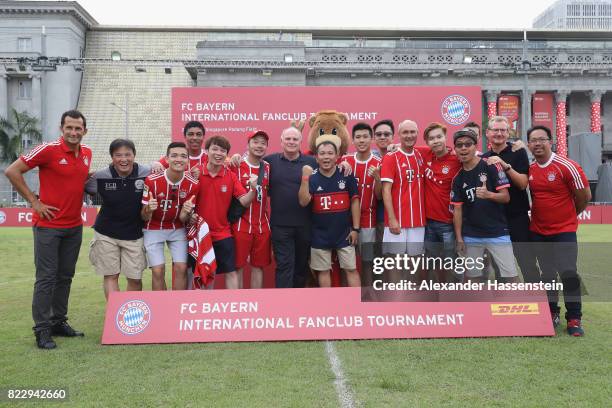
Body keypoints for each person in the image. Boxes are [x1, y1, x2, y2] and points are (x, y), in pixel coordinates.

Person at [4, 110, 90, 349]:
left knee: (65, 277)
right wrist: (34, 201)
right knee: (46, 279)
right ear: (61, 129)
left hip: (74, 226)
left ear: (85, 131)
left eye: (78, 128)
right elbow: (12, 170)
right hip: (48, 227)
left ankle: (57, 322)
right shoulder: (48, 149)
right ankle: (41, 330)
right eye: (69, 128)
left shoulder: (87, 154)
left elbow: (78, 180)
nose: (73, 132)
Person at [527, 125, 591, 336]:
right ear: (529, 145)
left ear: (550, 141)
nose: (537, 143)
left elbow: (584, 197)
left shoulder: (566, 166)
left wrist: (569, 216)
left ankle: (574, 318)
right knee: (547, 274)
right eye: (533, 140)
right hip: (538, 231)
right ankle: (551, 312)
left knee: (568, 272)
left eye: (541, 139)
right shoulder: (531, 169)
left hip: (563, 231)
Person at [86, 139, 162, 300]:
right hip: (105, 233)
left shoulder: (147, 171)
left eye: (128, 154)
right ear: (112, 158)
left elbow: (167, 171)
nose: (124, 159)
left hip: (134, 234)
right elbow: (85, 186)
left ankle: (127, 314)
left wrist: (157, 162)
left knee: (135, 278)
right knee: (111, 276)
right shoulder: (100, 176)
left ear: (134, 155)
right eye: (118, 155)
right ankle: (115, 314)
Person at [450, 129, 519, 284]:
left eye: (468, 144)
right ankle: (475, 308)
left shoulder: (491, 166)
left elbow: (506, 197)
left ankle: (519, 307)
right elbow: (458, 210)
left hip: (497, 232)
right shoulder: (458, 178)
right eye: (459, 145)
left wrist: (489, 195)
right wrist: (459, 238)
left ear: (476, 147)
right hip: (472, 234)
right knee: (473, 278)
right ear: (455, 150)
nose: (463, 148)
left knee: (510, 276)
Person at [196, 136, 257, 289]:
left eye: (222, 151)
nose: (218, 153)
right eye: (214, 149)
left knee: (231, 272)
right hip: (199, 233)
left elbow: (244, 201)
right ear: (206, 151)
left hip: (222, 233)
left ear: (226, 154)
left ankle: (234, 308)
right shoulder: (196, 173)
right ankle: (203, 308)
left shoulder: (230, 175)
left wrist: (254, 189)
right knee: (202, 273)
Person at [481, 116, 538, 283]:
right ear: (487, 133)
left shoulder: (517, 152)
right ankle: (504, 303)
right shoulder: (484, 158)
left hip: (517, 217)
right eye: (495, 130)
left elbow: (522, 184)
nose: (499, 133)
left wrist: (504, 165)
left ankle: (538, 303)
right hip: (495, 219)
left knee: (527, 262)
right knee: (500, 266)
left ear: (508, 133)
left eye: (503, 130)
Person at [299, 138, 361, 287]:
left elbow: (355, 201)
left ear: (337, 155)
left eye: (330, 153)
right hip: (319, 235)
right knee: (324, 271)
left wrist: (356, 229)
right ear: (317, 157)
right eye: (322, 153)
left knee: (351, 269)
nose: (326, 157)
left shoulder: (346, 174)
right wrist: (305, 178)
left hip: (344, 233)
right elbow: (303, 202)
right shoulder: (311, 177)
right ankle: (327, 306)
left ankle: (358, 305)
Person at [262, 127, 318, 288]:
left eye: (295, 139)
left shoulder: (312, 162)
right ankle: (283, 304)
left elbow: (331, 166)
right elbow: (249, 161)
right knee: (284, 266)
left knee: (301, 267)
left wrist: (344, 165)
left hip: (306, 224)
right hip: (280, 225)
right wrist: (236, 157)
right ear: (281, 141)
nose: (291, 142)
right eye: (288, 139)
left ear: (301, 142)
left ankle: (297, 304)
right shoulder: (269, 162)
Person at [141, 142, 199, 291]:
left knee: (181, 267)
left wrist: (186, 212)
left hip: (177, 227)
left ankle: (177, 308)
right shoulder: (151, 180)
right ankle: (162, 308)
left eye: (183, 156)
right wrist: (148, 209)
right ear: (166, 159)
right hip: (153, 227)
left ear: (187, 160)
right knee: (158, 270)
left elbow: (183, 219)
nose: (178, 159)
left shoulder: (193, 184)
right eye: (174, 155)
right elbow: (144, 217)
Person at [421, 122, 462, 282]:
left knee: (451, 262)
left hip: (448, 223)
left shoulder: (457, 158)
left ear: (445, 138)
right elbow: (406, 146)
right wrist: (393, 146)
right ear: (427, 142)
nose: (436, 141)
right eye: (431, 138)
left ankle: (456, 296)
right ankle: (437, 298)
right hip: (428, 223)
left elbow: (476, 158)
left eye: (439, 137)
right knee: (431, 263)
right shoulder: (426, 155)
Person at [230, 131, 272, 289]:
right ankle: (240, 305)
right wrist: (231, 157)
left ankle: (257, 304)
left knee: (258, 266)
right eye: (255, 142)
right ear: (248, 145)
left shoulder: (267, 166)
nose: (259, 146)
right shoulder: (236, 164)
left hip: (262, 224)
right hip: (241, 224)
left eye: (263, 143)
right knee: (238, 266)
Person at [342, 122, 381, 286]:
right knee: (345, 263)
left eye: (365, 136)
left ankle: (368, 295)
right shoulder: (345, 160)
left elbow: (379, 196)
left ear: (371, 139)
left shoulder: (379, 163)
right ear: (352, 140)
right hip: (345, 222)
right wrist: (340, 165)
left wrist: (378, 178)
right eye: (358, 137)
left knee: (367, 262)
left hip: (368, 221)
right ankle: (345, 297)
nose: (361, 140)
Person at [381, 120, 426, 258]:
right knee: (396, 262)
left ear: (417, 133)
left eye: (412, 132)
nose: (409, 135)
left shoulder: (420, 154)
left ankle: (411, 282)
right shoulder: (390, 157)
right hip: (397, 221)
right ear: (398, 135)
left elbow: (443, 148)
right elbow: (385, 191)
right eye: (405, 132)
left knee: (414, 262)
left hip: (418, 221)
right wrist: (392, 219)